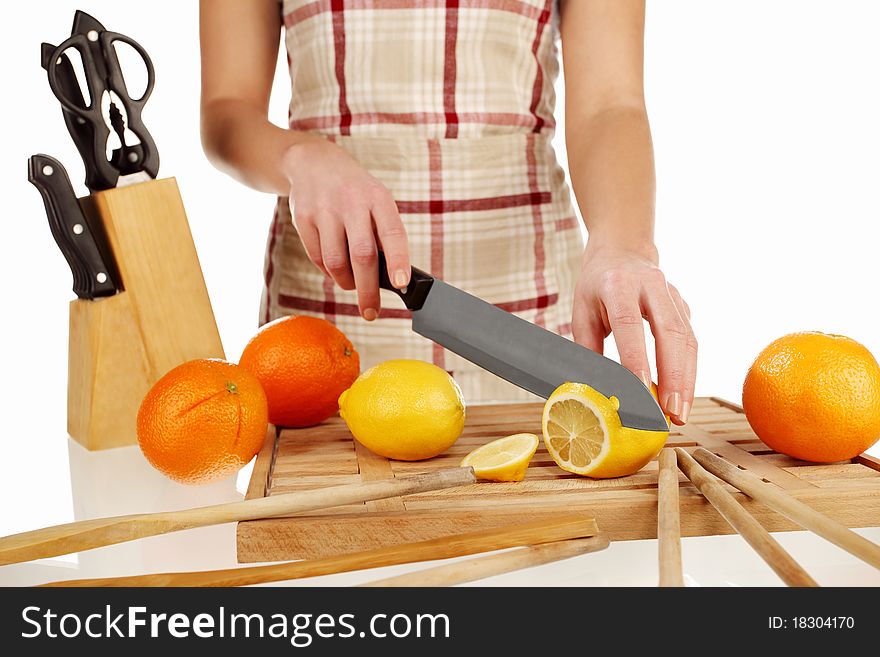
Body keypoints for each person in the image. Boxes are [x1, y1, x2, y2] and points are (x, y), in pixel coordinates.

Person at [200, 0, 697, 424]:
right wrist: (299, 158)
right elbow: (226, 111)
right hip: (321, 330)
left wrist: (621, 246)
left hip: (531, 310)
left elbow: (610, 104)